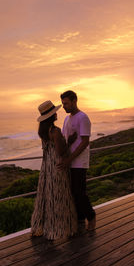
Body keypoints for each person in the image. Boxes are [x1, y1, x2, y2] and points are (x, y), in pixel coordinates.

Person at [31, 100, 77, 240]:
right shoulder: (55, 131)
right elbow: (60, 151)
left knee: (48, 195)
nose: (56, 113)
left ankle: (45, 226)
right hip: (57, 165)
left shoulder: (43, 132)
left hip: (47, 166)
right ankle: (62, 227)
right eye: (54, 112)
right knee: (60, 196)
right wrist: (69, 142)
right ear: (51, 116)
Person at [59, 90, 96, 231]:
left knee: (79, 192)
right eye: (63, 103)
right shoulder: (67, 119)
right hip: (70, 161)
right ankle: (80, 218)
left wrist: (70, 159)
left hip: (79, 162)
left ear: (74, 101)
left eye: (66, 103)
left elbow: (85, 141)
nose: (64, 106)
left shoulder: (83, 118)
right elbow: (65, 139)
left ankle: (91, 217)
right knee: (74, 192)